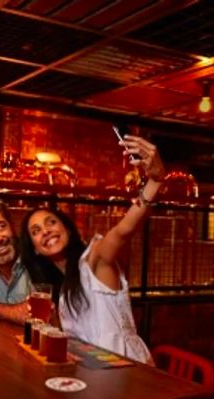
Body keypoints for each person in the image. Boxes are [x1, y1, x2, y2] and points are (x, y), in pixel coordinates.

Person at [19, 134, 165, 364]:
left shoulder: (94, 258)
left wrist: (155, 182)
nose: (45, 231)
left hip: (131, 372)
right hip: (94, 378)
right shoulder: (62, 286)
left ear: (66, 228)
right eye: (36, 231)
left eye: (51, 222)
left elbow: (123, 230)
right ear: (35, 249)